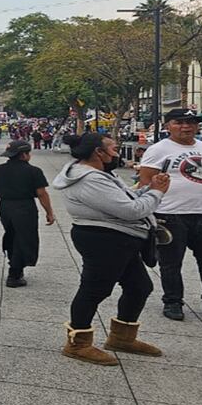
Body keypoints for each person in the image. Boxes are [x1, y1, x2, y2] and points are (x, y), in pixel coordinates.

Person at [52, 133, 167, 364]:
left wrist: (148, 189)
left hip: (120, 238)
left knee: (139, 287)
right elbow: (131, 211)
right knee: (94, 290)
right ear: (98, 152)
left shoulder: (102, 174)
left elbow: (124, 199)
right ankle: (78, 343)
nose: (117, 153)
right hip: (103, 239)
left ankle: (122, 338)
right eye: (114, 149)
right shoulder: (90, 179)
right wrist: (157, 192)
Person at [136, 108, 202, 320]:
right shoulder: (159, 149)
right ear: (168, 125)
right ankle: (173, 301)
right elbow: (146, 181)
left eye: (191, 122)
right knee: (171, 262)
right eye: (179, 122)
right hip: (170, 213)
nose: (186, 126)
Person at [0, 140, 56, 288]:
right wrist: (49, 212)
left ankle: (15, 267)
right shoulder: (34, 171)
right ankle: (14, 273)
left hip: (5, 207)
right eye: (28, 153)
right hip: (25, 207)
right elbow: (42, 194)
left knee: (11, 235)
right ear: (23, 155)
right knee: (25, 238)